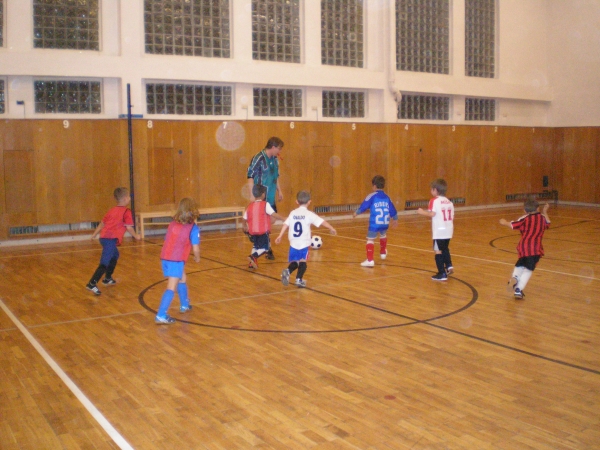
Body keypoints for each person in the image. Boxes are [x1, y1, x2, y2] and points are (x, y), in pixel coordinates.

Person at [275, 191, 336, 288]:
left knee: (295, 262)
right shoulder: (309, 214)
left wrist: (280, 235)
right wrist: (331, 228)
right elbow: (322, 222)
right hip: (304, 243)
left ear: (296, 201)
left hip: (293, 242)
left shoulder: (293, 213)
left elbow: (286, 224)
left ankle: (287, 272)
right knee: (303, 262)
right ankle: (298, 280)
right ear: (309, 202)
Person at [86, 187, 140, 295]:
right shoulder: (126, 212)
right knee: (104, 262)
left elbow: (102, 223)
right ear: (125, 199)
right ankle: (92, 283)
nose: (130, 198)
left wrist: (95, 234)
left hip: (104, 238)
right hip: (110, 239)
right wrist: (136, 236)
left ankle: (107, 278)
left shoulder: (111, 210)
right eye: (129, 196)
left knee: (115, 255)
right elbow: (129, 227)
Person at [155, 198, 201, 324]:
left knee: (182, 278)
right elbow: (196, 248)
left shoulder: (172, 224)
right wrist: (197, 257)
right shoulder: (193, 228)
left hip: (165, 257)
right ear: (194, 211)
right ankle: (161, 314)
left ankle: (184, 304)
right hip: (176, 260)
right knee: (171, 287)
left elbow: (167, 239)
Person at [499, 199, 550, 299]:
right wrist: (545, 212)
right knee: (528, 270)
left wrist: (504, 222)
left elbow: (513, 225)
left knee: (521, 264)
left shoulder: (524, 218)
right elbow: (548, 224)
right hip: (535, 248)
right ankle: (518, 289)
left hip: (523, 247)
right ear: (538, 208)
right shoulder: (542, 218)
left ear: (525, 210)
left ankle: (515, 277)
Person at [247, 136, 284, 259]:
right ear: (273, 147)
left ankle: (263, 244)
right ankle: (263, 247)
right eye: (279, 148)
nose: (279, 151)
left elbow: (276, 176)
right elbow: (250, 176)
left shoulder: (275, 159)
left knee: (270, 221)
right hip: (261, 196)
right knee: (265, 222)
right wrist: (252, 195)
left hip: (271, 196)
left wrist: (279, 190)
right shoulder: (259, 158)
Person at [352, 175, 398, 267]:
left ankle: (370, 260)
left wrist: (356, 212)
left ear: (374, 186)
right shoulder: (387, 197)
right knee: (383, 234)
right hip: (385, 223)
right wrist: (395, 219)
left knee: (370, 240)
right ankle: (383, 252)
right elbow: (393, 209)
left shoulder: (372, 196)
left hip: (374, 223)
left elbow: (364, 206)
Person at [417, 179, 455, 281]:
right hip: (448, 229)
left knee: (438, 251)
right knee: (445, 248)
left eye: (431, 189)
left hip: (439, 230)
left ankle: (442, 273)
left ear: (435, 190)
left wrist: (422, 212)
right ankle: (449, 266)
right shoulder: (449, 202)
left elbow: (432, 214)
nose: (431, 191)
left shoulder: (434, 200)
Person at [243, 184, 285, 269]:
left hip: (253, 231)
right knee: (266, 248)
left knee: (256, 246)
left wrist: (244, 226)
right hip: (262, 231)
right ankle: (253, 257)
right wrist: (284, 218)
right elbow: (274, 214)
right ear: (263, 194)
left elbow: (244, 218)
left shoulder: (250, 206)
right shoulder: (265, 204)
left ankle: (251, 263)